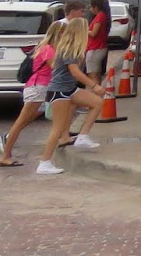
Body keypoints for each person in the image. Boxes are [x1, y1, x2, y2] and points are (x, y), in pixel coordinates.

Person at [0, 21, 71, 167]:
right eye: (65, 33)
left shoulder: (51, 48)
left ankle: (63, 136)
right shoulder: (48, 49)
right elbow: (56, 68)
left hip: (43, 87)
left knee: (28, 120)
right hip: (38, 87)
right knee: (21, 121)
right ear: (59, 33)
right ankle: (5, 154)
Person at [37, 19, 104, 175]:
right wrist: (94, 85)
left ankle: (83, 136)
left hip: (69, 89)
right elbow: (75, 72)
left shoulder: (73, 47)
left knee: (97, 103)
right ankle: (44, 162)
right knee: (58, 128)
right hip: (59, 91)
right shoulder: (69, 48)